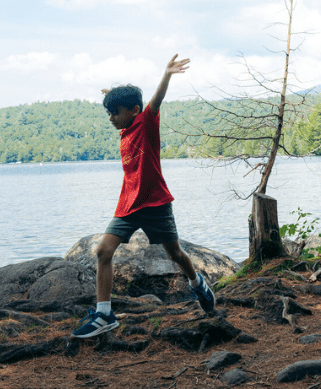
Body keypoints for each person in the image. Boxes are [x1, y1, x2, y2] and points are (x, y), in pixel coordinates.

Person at [72, 54, 216, 338]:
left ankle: (197, 283)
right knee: (103, 251)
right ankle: (104, 315)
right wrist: (112, 97)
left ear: (135, 110)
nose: (111, 119)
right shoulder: (125, 129)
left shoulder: (146, 122)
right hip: (127, 204)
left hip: (155, 203)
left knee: (174, 253)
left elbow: (155, 101)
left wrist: (167, 75)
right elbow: (123, 106)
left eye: (115, 113)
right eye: (109, 114)